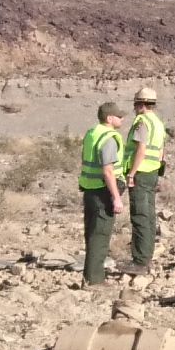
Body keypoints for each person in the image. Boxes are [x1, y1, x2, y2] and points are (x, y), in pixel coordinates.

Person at [76, 101, 125, 285]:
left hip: (89, 189)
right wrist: (116, 197)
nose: (122, 118)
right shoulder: (109, 138)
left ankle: (90, 275)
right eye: (118, 116)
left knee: (91, 232)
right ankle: (95, 280)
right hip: (103, 191)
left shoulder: (92, 133)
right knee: (100, 235)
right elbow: (108, 170)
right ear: (109, 118)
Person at [123, 86, 170, 274]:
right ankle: (146, 257)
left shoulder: (142, 121)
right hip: (152, 172)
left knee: (140, 216)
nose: (134, 108)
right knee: (149, 216)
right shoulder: (157, 122)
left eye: (135, 104)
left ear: (140, 104)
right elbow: (161, 151)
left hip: (141, 173)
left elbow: (141, 149)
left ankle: (140, 262)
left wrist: (131, 173)